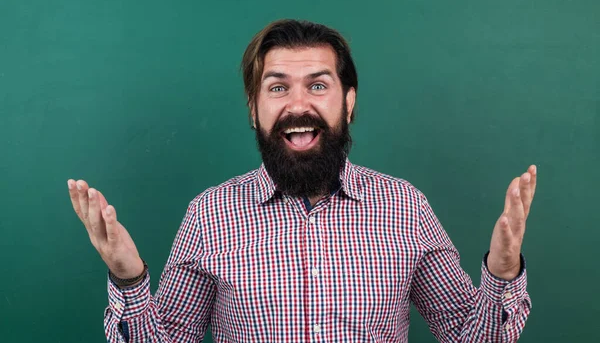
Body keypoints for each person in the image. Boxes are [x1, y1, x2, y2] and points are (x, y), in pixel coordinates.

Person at [67, 19, 536, 342]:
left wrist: (502, 272)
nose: (297, 105)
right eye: (277, 87)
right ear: (254, 109)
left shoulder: (404, 206)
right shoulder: (210, 214)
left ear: (347, 102)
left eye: (317, 85)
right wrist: (129, 280)